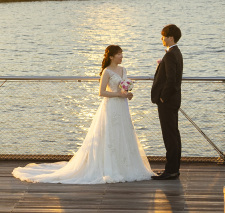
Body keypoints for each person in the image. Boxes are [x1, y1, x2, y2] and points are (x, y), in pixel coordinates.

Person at [13, 45, 155, 184]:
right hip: (111, 106)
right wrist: (118, 94)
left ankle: (125, 167)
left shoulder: (123, 70)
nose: (122, 56)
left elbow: (123, 88)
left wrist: (127, 94)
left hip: (122, 106)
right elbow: (102, 92)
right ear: (111, 56)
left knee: (124, 134)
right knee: (110, 135)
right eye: (119, 54)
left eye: (122, 53)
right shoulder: (107, 71)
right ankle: (109, 167)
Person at [150, 24, 183, 180]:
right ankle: (174, 169)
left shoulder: (170, 55)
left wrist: (162, 97)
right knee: (174, 134)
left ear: (170, 37)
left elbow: (171, 80)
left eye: (163, 36)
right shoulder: (176, 52)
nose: (162, 39)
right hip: (174, 100)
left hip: (168, 101)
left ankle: (170, 171)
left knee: (169, 136)